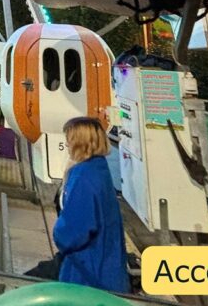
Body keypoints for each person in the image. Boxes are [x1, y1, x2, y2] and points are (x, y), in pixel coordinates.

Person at [52, 116, 131, 293]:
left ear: (79, 142)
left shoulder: (83, 177)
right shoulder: (98, 168)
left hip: (88, 271)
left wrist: (58, 234)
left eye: (69, 140)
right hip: (106, 266)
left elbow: (75, 229)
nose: (67, 145)